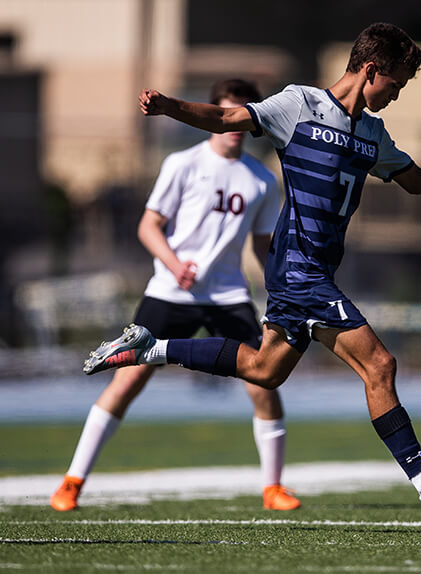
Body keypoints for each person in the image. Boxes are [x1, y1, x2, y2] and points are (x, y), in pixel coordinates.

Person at [82, 23, 421, 519]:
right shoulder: (298, 106)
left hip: (312, 271)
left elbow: (416, 182)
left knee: (264, 371)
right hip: (298, 269)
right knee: (380, 365)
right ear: (371, 70)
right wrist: (170, 107)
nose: (397, 94)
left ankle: (150, 347)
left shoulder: (373, 135)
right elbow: (227, 116)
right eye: (395, 83)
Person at [52, 79, 300, 513]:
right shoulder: (182, 164)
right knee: (127, 379)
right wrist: (173, 263)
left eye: (245, 115)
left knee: (264, 379)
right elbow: (148, 226)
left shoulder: (262, 180)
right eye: (228, 114)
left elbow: (263, 248)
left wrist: (283, 286)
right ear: (211, 115)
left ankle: (272, 488)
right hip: (169, 292)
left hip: (227, 296)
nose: (236, 125)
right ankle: (72, 483)